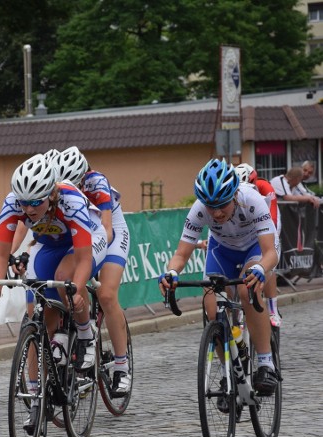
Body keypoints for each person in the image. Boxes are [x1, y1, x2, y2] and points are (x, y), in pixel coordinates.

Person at [0, 153, 107, 418]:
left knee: (67, 277)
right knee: (35, 318)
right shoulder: (14, 202)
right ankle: (35, 393)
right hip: (50, 245)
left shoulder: (70, 199)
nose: (28, 209)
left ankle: (86, 334)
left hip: (88, 241)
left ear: (51, 194)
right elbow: (0, 253)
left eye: (35, 203)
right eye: (24, 203)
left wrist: (76, 288)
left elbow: (84, 258)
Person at [158, 159, 280, 397]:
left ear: (235, 194)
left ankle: (266, 363)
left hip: (254, 247)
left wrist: (259, 270)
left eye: (222, 204)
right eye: (211, 205)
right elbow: (181, 254)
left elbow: (270, 253)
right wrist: (171, 272)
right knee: (210, 303)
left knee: (248, 289)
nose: (216, 212)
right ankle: (228, 373)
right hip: (222, 250)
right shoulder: (199, 209)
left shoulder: (252, 200)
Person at [57, 146, 132, 394]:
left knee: (107, 295)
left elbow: (107, 230)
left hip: (111, 233)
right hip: (83, 232)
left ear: (83, 176)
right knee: (64, 283)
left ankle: (122, 366)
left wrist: (90, 263)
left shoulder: (96, 182)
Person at [234, 163, 282, 327]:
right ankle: (240, 308)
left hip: (267, 218)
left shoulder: (264, 186)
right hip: (246, 226)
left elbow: (272, 222)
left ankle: (272, 308)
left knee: (268, 262)